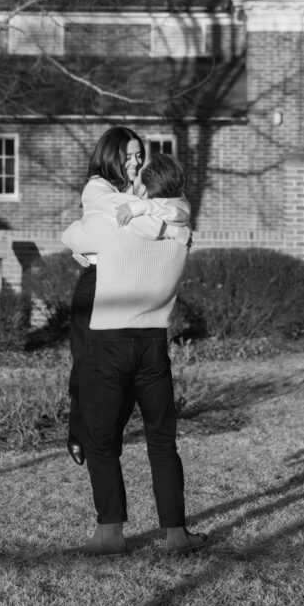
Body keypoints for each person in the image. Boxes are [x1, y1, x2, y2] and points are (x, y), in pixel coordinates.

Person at [61, 152, 207, 556]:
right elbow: (171, 216)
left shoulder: (113, 226)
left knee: (101, 440)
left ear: (142, 188)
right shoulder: (184, 233)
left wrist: (102, 231)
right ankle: (177, 535)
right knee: (162, 442)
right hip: (154, 345)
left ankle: (110, 533)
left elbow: (70, 236)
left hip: (108, 343)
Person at [65, 127, 190, 468]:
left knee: (119, 379)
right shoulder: (98, 188)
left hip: (120, 278)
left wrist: (148, 212)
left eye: (139, 156)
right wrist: (149, 213)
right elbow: (115, 224)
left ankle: (105, 438)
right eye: (128, 156)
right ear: (111, 156)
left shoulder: (132, 188)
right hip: (96, 287)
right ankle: (79, 432)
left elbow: (176, 208)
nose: (135, 162)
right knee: (89, 365)